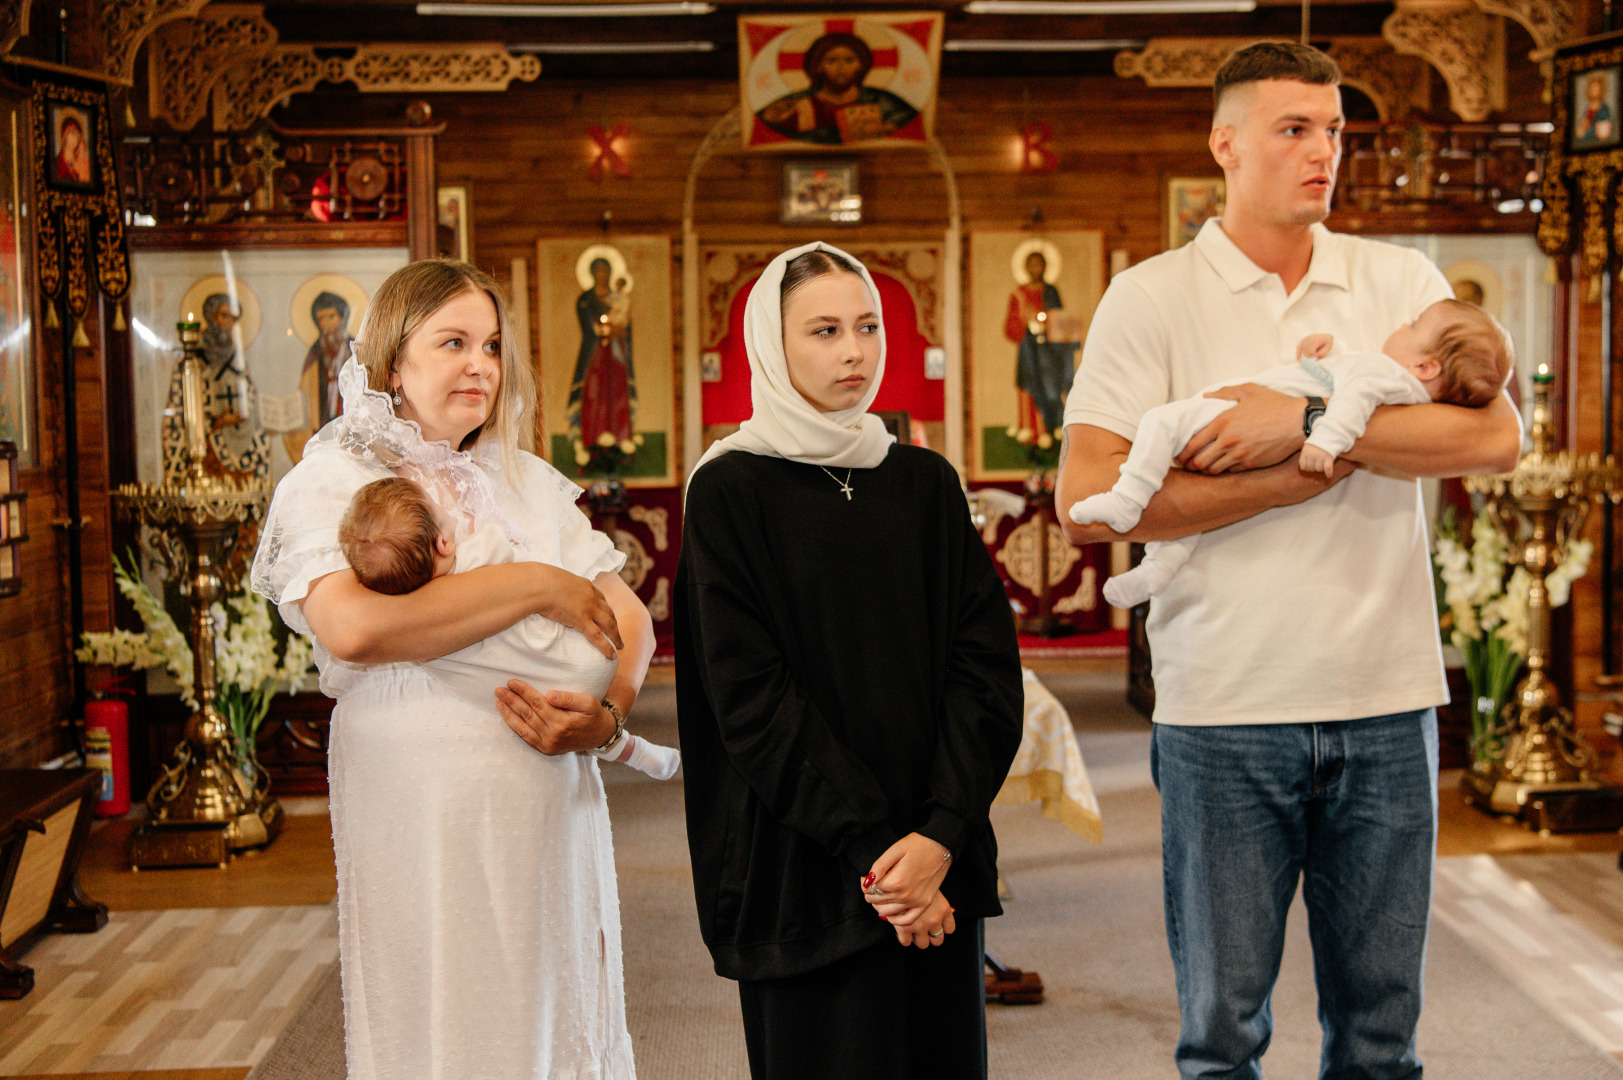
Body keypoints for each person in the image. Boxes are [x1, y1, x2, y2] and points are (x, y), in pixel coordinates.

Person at [1055, 42, 1521, 1080]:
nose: (1324, 154)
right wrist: (1287, 466)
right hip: (1223, 709)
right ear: (1225, 143)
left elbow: (1493, 441)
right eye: (1295, 130)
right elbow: (1085, 496)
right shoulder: (1152, 295)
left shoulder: (1401, 279)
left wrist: (1302, 418)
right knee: (1221, 1038)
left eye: (1337, 132)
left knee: (1381, 1037)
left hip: (1387, 704)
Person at [251, 258, 655, 1080]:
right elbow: (358, 628)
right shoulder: (333, 479)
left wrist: (608, 711)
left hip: (545, 797)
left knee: (551, 1001)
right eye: (453, 343)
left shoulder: (526, 479)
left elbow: (631, 621)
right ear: (393, 363)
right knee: (438, 1007)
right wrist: (537, 584)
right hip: (417, 799)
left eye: (493, 345)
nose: (481, 364)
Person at [676, 241, 1024, 1080]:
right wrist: (879, 855)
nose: (854, 352)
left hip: (931, 861)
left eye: (867, 326)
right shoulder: (728, 491)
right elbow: (748, 698)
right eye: (824, 330)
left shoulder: (924, 483)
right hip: (806, 863)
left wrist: (938, 836)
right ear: (773, 343)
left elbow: (984, 673)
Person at [1075, 298, 1514, 607]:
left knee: (1159, 423)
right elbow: (1345, 386)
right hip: (1263, 436)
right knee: (1206, 506)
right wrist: (1326, 355)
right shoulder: (1409, 397)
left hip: (1237, 414)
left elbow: (1353, 400)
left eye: (1414, 325)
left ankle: (1127, 499)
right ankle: (1158, 569)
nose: (1402, 326)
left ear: (1427, 366)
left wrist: (1320, 436)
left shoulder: (1381, 372)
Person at [336, 474, 679, 781]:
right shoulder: (479, 553)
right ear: (443, 544)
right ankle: (623, 745)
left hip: (518, 701)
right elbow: (504, 550)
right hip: (583, 668)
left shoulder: (409, 619)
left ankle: (621, 744)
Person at [161, 292, 272, 487]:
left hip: (239, 435)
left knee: (263, 442)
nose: (228, 323)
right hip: (208, 441)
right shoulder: (190, 361)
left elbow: (250, 396)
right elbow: (179, 413)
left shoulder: (238, 359)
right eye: (224, 315)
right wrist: (217, 422)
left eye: (233, 318)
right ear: (211, 316)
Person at [756, 32, 919, 145]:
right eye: (831, 60)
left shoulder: (881, 100)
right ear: (818, 66)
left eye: (849, 60)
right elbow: (766, 123)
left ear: (861, 65)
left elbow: (909, 117)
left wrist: (889, 126)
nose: (841, 68)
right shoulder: (797, 102)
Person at [1003, 249, 1079, 444]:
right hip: (1029, 353)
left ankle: (1052, 429)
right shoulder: (1018, 295)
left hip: (1051, 353)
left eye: (1039, 264)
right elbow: (1009, 328)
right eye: (1032, 264)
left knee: (1052, 389)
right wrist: (1025, 322)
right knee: (1031, 389)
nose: (1035, 268)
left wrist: (1048, 323)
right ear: (1026, 267)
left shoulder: (1051, 292)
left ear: (1045, 267)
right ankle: (1032, 433)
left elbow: (1062, 322)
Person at [569, 256, 637, 450]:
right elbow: (588, 328)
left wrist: (620, 330)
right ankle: (591, 440)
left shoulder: (619, 299)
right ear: (592, 273)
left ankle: (620, 441)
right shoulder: (586, 300)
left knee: (616, 397)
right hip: (595, 356)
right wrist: (602, 330)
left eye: (606, 270)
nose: (602, 274)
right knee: (593, 395)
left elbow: (625, 326)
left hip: (615, 358)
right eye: (598, 270)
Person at [283, 291, 354, 466]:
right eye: (322, 319)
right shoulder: (315, 355)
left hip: (350, 427)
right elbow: (305, 396)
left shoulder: (356, 350)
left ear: (342, 318)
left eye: (332, 316)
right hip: (322, 424)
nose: (328, 324)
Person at [53, 114, 90, 183]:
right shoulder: (57, 163)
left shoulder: (81, 162)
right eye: (72, 132)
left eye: (77, 134)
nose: (75, 137)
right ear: (64, 136)